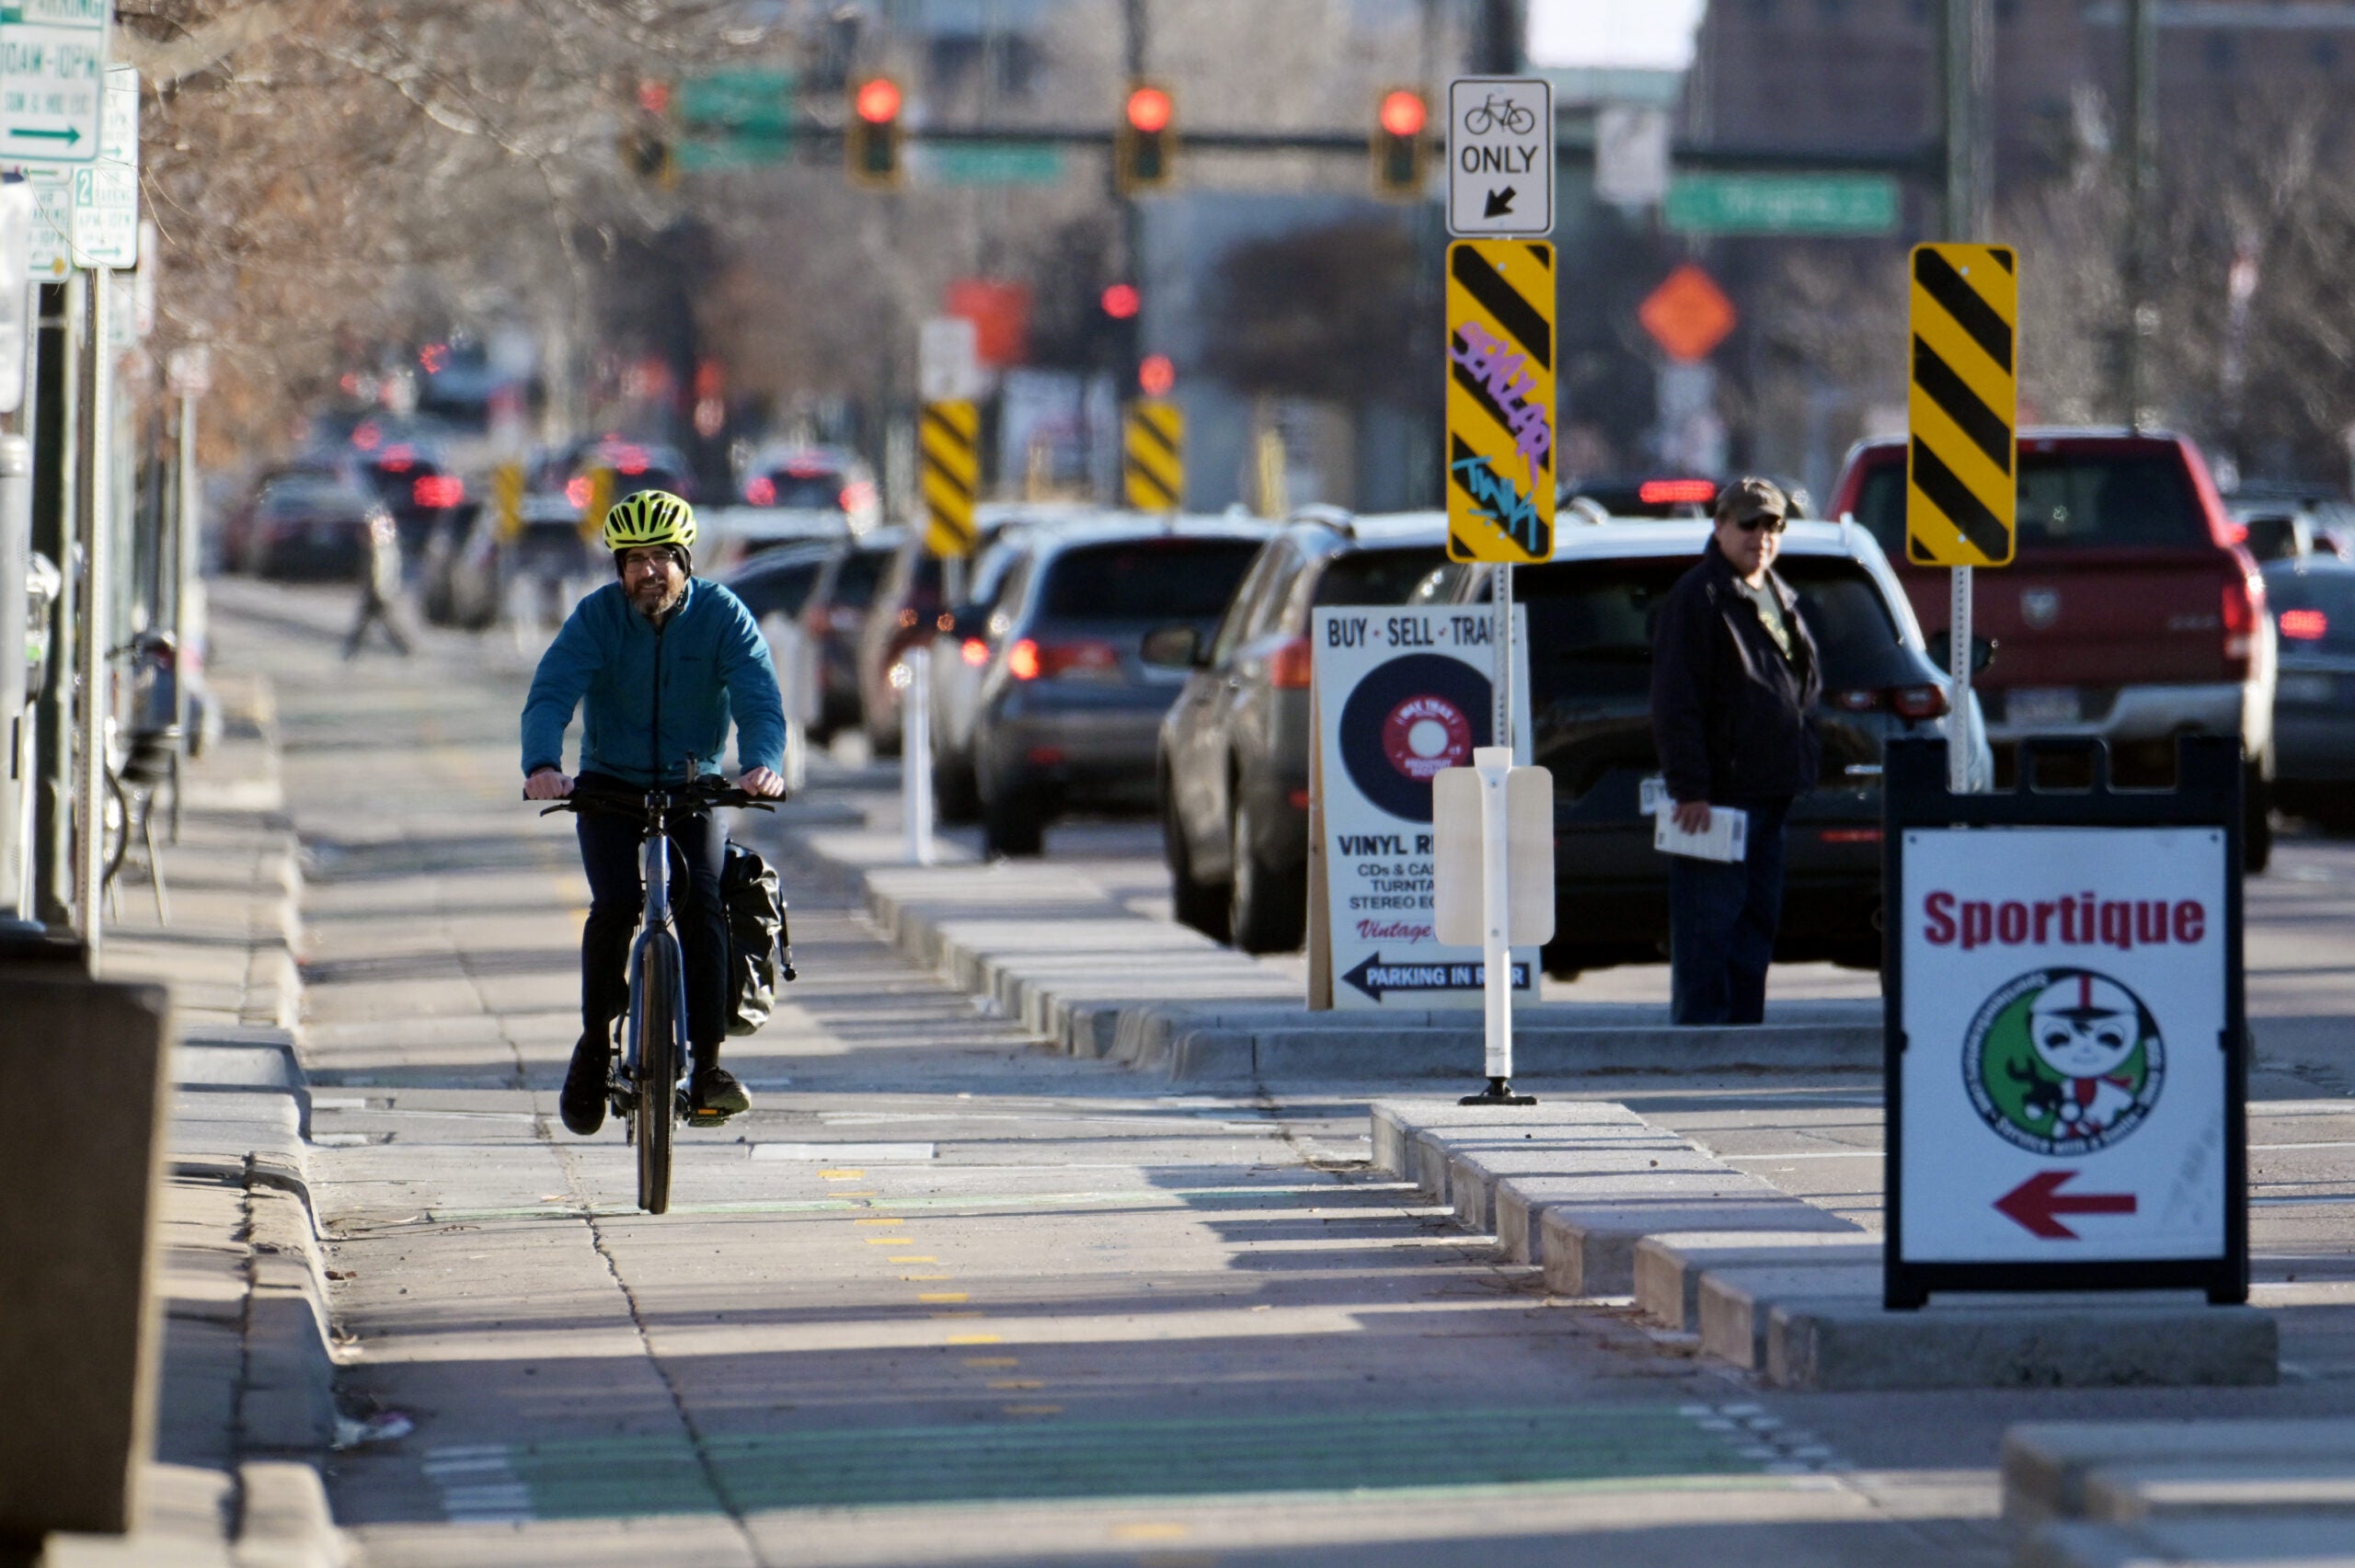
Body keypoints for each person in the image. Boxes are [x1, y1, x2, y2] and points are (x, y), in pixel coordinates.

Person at [521, 490, 787, 1134]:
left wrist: (762, 764)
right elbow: (553, 688)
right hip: (610, 787)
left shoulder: (723, 615)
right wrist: (542, 766)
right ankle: (592, 1045)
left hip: (695, 785)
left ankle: (709, 1068)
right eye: (634, 559)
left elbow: (758, 696)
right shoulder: (597, 618)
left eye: (662, 557)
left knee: (704, 906)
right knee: (614, 905)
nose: (648, 571)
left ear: (685, 561)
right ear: (618, 567)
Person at [1648, 476, 1822, 1025]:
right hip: (1719, 800)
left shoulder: (1779, 594)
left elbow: (1800, 686)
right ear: (1720, 526)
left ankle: (1745, 1038)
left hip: (1772, 790)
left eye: (1772, 525)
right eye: (1748, 523)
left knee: (1755, 925)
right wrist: (1691, 790)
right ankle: (1702, 1046)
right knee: (1709, 928)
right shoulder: (1698, 598)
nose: (1761, 536)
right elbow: (1676, 704)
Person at [343, 509, 412, 659]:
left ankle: (350, 650)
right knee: (376, 621)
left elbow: (382, 571)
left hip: (377, 591)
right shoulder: (376, 548)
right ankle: (404, 648)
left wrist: (381, 589)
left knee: (371, 622)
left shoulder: (381, 549)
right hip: (376, 590)